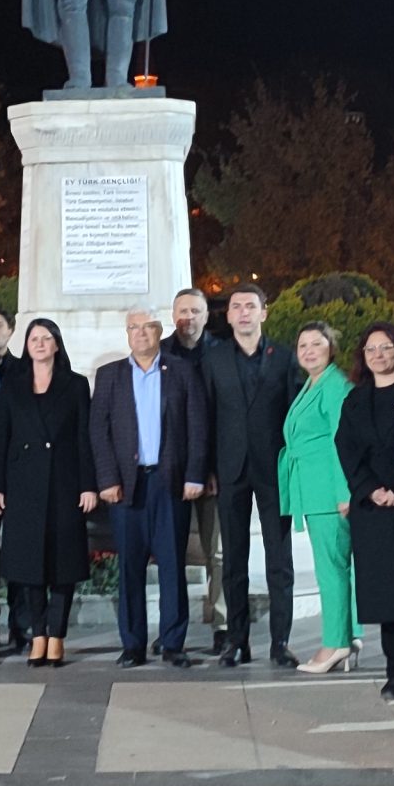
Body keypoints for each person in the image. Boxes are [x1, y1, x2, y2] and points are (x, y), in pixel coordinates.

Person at [91, 307, 208, 668]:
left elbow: (197, 425)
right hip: (127, 486)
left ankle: (173, 643)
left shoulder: (182, 372)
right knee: (130, 567)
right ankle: (133, 645)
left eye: (147, 327)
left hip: (169, 482)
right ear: (127, 334)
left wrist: (194, 475)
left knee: (172, 564)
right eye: (133, 328)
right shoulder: (110, 375)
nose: (140, 333)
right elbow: (99, 431)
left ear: (160, 332)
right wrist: (107, 479)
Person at [0, 318, 98, 665]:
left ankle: (57, 635)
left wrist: (88, 485)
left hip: (65, 483)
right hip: (23, 485)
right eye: (34, 338)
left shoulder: (76, 384)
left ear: (56, 345)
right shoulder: (11, 384)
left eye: (46, 338)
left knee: (62, 564)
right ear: (27, 346)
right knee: (29, 566)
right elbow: (0, 439)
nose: (39, 343)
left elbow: (85, 436)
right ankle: (37, 634)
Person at [207, 282, 299, 667]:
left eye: (251, 306)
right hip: (230, 470)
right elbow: (208, 417)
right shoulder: (213, 360)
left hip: (274, 469)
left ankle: (280, 642)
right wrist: (209, 469)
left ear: (264, 312)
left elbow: (294, 415)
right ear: (227, 315)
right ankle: (237, 641)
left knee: (280, 560)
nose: (243, 312)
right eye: (236, 307)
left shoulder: (285, 358)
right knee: (233, 560)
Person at [338, 321, 394, 700]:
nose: (378, 355)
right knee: (387, 595)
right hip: (373, 510)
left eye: (386, 348)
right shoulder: (355, 400)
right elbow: (347, 451)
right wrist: (371, 490)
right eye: (371, 349)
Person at [281, 323, 358, 673]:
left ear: (331, 348)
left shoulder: (334, 385)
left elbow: (342, 440)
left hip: (328, 491)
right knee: (338, 567)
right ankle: (349, 634)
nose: (309, 350)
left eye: (317, 344)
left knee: (331, 571)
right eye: (302, 345)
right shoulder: (313, 385)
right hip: (313, 488)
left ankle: (335, 643)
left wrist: (344, 492)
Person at [163, 288, 229, 654]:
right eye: (182, 311)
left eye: (195, 310)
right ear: (173, 316)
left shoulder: (221, 354)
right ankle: (173, 627)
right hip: (169, 470)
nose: (188, 317)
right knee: (169, 551)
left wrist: (213, 467)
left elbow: (223, 417)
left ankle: (221, 622)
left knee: (215, 553)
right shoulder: (159, 354)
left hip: (212, 471)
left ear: (207, 316)